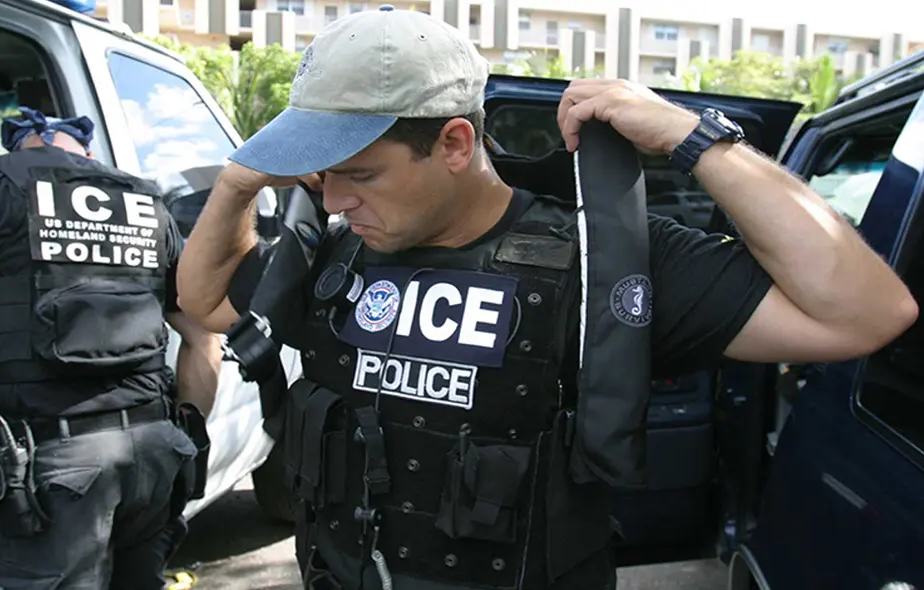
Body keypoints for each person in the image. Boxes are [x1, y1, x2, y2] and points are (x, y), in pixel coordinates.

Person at [177, 7, 918, 590]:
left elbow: (866, 312)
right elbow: (207, 305)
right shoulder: (339, 250)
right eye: (323, 174)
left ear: (457, 144)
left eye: (360, 174)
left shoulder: (603, 255)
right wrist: (246, 178)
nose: (333, 199)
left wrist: (699, 142)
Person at [0, 108, 223, 589]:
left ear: (19, 149)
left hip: (51, 472)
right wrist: (183, 438)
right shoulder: (146, 199)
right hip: (152, 457)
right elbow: (204, 335)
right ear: (85, 151)